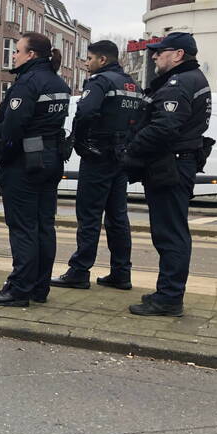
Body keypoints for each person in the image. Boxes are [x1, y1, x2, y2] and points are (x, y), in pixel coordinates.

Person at [124, 32, 211, 317]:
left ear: (178, 55)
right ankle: (167, 292)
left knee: (169, 234)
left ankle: (170, 298)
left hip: (171, 165)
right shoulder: (192, 79)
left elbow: (164, 128)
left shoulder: (178, 83)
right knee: (171, 232)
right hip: (178, 162)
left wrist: (131, 149)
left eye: (161, 51)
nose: (154, 56)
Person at [52, 40, 147, 291]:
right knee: (118, 218)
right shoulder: (133, 85)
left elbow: (84, 112)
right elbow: (141, 120)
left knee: (89, 215)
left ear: (102, 60)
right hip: (121, 156)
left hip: (98, 156)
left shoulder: (100, 82)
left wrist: (81, 141)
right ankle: (121, 272)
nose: (86, 62)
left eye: (90, 58)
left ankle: (79, 271)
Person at [0, 33, 71, 307]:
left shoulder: (27, 83)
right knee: (44, 226)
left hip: (24, 162)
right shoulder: (59, 82)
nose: (13, 55)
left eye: (17, 50)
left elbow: (12, 128)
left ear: (31, 54)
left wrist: (2, 157)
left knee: (23, 227)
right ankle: (38, 287)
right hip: (51, 159)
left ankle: (19, 289)